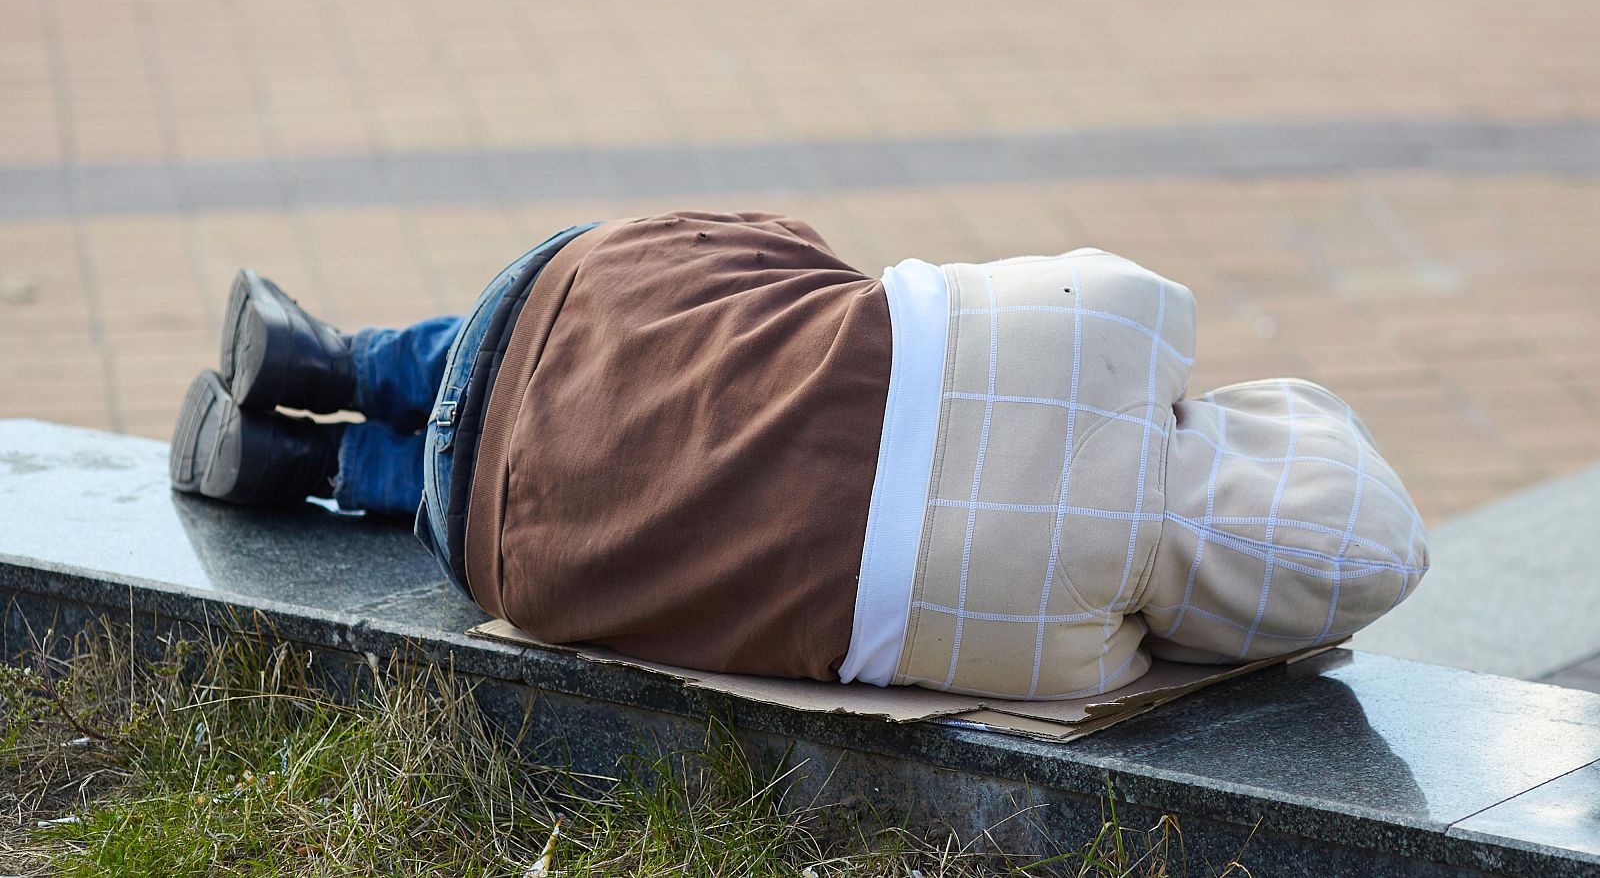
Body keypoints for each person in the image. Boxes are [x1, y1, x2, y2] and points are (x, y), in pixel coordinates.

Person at [170, 211, 1428, 700]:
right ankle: (324, 473)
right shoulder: (1077, 661)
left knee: (732, 294)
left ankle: (339, 361)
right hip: (502, 551)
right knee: (626, 486)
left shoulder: (1134, 317)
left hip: (541, 314)